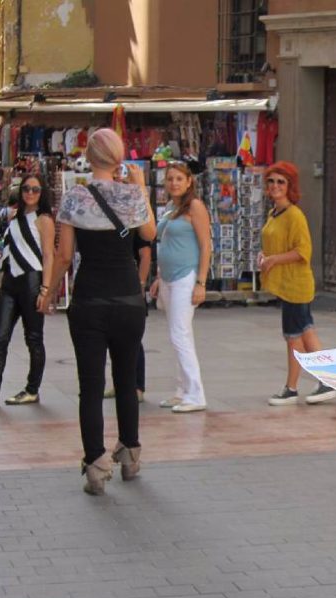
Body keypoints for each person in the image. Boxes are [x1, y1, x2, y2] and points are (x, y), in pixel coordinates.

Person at [42, 128, 156, 495]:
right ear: (119, 157)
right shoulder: (132, 194)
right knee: (125, 379)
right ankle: (131, 452)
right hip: (128, 299)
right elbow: (150, 235)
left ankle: (96, 464)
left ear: (89, 157)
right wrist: (141, 189)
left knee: (90, 386)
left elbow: (63, 256)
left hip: (89, 299)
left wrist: (47, 292)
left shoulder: (75, 197)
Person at [258, 161, 336, 406]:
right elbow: (275, 242)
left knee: (294, 337)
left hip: (296, 285)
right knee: (304, 332)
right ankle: (326, 381)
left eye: (281, 182)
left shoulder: (294, 215)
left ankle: (293, 388)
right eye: (271, 181)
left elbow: (303, 251)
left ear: (290, 186)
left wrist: (273, 260)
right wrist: (265, 255)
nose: (275, 186)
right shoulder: (274, 213)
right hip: (287, 285)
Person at [0, 175, 55, 411]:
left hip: (32, 281)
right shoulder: (15, 217)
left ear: (42, 192)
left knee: (33, 337)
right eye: (26, 188)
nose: (30, 193)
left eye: (35, 189)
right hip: (10, 281)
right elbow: (10, 246)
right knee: (0, 337)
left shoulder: (44, 220)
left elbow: (48, 255)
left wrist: (45, 289)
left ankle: (32, 389)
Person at [148, 162, 211, 413]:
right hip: (168, 277)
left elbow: (206, 245)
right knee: (178, 335)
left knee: (180, 334)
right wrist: (158, 276)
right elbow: (164, 243)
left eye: (178, 179)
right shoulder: (171, 207)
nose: (174, 183)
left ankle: (196, 394)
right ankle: (182, 390)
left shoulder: (195, 206)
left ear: (188, 182)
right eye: (170, 179)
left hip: (187, 276)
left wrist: (201, 282)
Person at [103, 230, 151, 403]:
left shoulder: (136, 225)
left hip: (131, 289)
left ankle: (137, 386)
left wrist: (140, 284)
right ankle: (120, 383)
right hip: (113, 288)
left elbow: (145, 255)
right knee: (114, 339)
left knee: (133, 340)